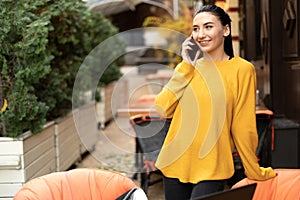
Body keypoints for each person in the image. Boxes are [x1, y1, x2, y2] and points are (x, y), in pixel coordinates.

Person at [154, 4, 276, 200]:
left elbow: (243, 125)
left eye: (208, 27)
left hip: (213, 164)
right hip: (174, 161)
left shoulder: (242, 70)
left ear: (226, 30)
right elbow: (162, 108)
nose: (201, 34)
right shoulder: (187, 68)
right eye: (196, 29)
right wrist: (186, 65)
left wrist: (253, 169)